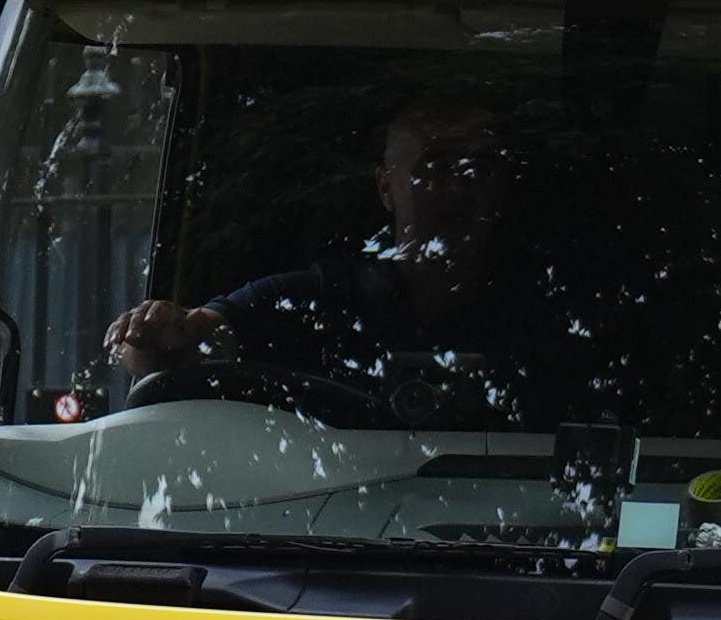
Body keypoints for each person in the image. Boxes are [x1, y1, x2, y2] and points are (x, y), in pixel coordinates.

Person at [105, 92, 567, 429]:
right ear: (387, 188)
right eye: (436, 167)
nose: (461, 187)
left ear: (502, 185)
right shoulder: (319, 299)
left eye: (479, 168)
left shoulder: (551, 311)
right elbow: (172, 349)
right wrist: (155, 331)